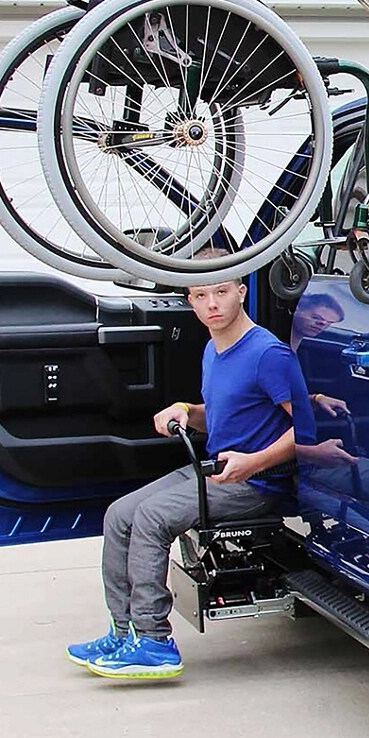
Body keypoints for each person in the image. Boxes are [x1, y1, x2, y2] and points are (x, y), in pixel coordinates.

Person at [67, 269, 309, 680]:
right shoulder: (214, 350)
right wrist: (187, 411)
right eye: (200, 295)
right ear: (190, 300)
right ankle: (123, 632)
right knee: (119, 515)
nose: (212, 304)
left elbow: (307, 425)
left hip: (257, 484)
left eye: (221, 292)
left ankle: (154, 642)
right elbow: (224, 414)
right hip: (216, 470)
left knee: (151, 518)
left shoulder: (268, 355)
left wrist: (256, 461)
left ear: (241, 292)